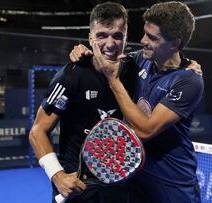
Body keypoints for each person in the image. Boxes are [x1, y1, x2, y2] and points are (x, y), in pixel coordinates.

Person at [70, 1, 203, 203]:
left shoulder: (189, 80)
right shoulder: (140, 59)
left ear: (174, 44)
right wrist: (82, 51)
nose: (142, 41)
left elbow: (146, 131)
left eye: (152, 37)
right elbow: (106, 57)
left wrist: (114, 81)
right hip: (134, 182)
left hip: (173, 187)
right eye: (144, 33)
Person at [29, 2, 136, 203]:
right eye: (101, 35)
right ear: (90, 38)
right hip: (77, 186)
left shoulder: (134, 72)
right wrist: (57, 176)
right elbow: (37, 131)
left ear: (126, 38)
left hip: (118, 185)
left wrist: (186, 64)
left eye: (117, 35)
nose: (110, 44)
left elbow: (163, 59)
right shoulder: (70, 76)